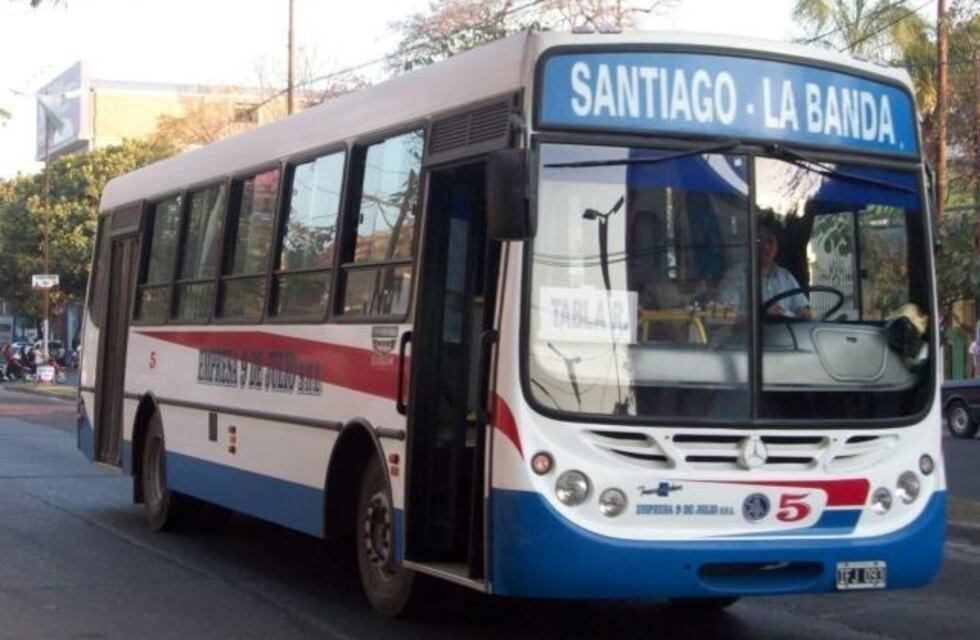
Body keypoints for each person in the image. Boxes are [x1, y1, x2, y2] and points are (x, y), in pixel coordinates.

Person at [719, 218, 813, 320]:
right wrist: (760, 315)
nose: (765, 246)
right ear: (750, 245)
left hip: (784, 335)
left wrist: (797, 315)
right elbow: (723, 318)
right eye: (759, 241)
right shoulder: (736, 276)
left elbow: (804, 312)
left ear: (777, 246)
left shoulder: (786, 277)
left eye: (770, 241)